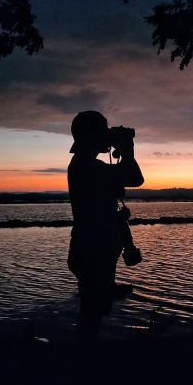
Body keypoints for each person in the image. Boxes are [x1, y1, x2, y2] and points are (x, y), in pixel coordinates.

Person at [67, 110, 144, 350]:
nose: (107, 135)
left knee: (94, 310)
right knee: (92, 313)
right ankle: (85, 365)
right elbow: (135, 177)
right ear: (91, 136)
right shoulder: (88, 167)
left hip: (91, 249)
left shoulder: (84, 165)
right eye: (103, 130)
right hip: (93, 251)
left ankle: (86, 359)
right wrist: (127, 149)